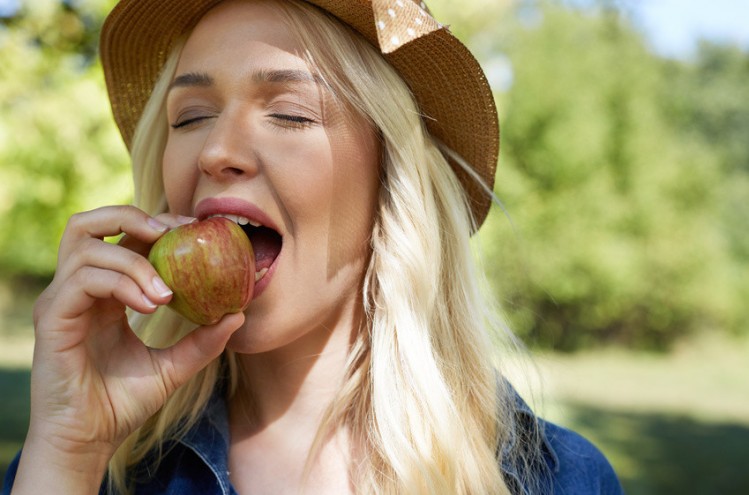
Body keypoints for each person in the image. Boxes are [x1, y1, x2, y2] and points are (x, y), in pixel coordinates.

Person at [3, 0, 624, 493]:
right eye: (190, 117)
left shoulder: (553, 480)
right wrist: (66, 455)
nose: (217, 151)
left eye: (292, 113)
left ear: (390, 180)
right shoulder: (93, 465)